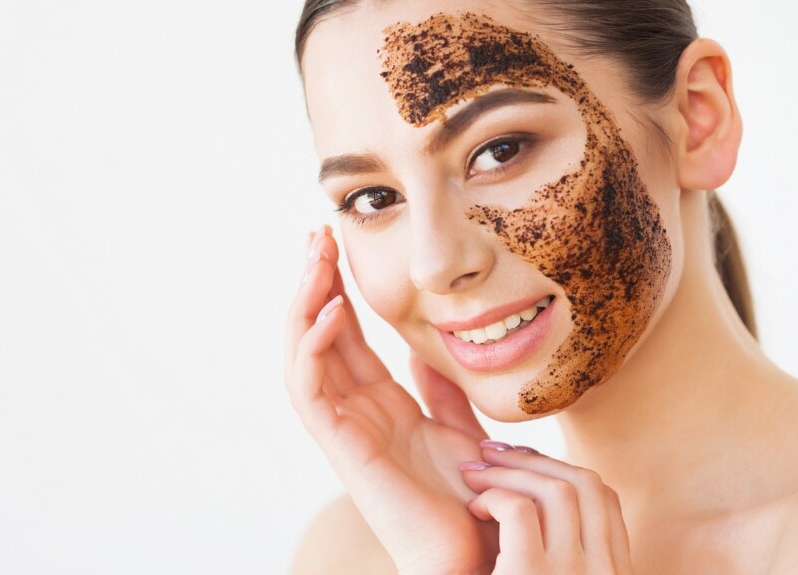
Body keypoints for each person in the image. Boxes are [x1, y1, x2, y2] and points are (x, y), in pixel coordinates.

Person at [284, 0, 798, 573]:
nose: (432, 264)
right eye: (374, 199)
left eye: (499, 150)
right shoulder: (371, 554)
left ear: (698, 119)